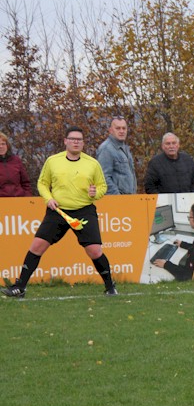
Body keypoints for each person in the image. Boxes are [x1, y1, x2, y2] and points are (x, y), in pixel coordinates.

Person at [2, 126, 118, 298]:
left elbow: (102, 186)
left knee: (94, 251)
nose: (76, 142)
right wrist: (48, 199)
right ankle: (19, 287)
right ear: (65, 141)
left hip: (84, 212)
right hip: (58, 211)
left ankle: (110, 287)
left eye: (79, 140)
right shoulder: (53, 161)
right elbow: (42, 183)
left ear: (83, 143)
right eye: (72, 139)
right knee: (37, 246)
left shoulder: (92, 163)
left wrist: (96, 193)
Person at [152, 201, 194, 281]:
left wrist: (166, 264)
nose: (189, 219)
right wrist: (182, 244)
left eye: (190, 217)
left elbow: (187, 275)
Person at [96, 116, 137, 195]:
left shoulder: (125, 148)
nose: (121, 131)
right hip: (116, 199)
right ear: (111, 130)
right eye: (118, 128)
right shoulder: (106, 149)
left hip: (129, 198)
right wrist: (118, 196)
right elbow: (104, 178)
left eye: (124, 128)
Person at [0, 132, 33, 197]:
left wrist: (27, 197)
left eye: (3, 144)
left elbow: (26, 183)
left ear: (7, 145)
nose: (0, 146)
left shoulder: (16, 160)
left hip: (19, 199)